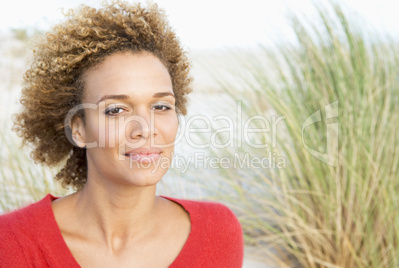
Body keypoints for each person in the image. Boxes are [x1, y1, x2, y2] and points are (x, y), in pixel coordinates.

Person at [0, 1, 243, 267]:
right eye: (116, 110)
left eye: (161, 106)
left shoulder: (218, 233)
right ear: (79, 128)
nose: (145, 128)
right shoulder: (12, 243)